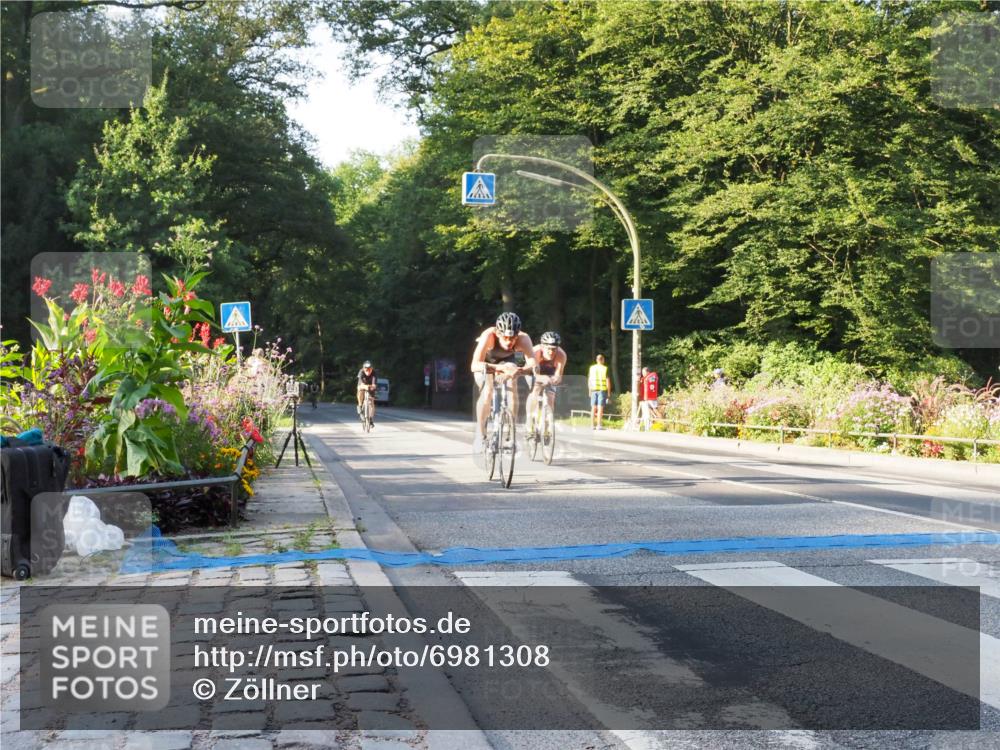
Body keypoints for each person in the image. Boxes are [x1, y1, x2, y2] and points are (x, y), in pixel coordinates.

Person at [470, 312, 535, 451]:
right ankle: (480, 435)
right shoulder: (489, 336)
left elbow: (533, 365)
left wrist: (518, 370)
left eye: (512, 338)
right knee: (487, 391)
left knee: (513, 385)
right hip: (487, 363)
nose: (509, 341)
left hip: (509, 363)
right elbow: (474, 365)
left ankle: (511, 433)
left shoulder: (524, 339)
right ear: (498, 333)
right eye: (505, 337)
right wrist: (499, 368)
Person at [527, 331, 567, 432]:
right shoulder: (534, 352)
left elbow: (559, 374)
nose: (551, 352)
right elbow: (534, 374)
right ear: (542, 347)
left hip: (550, 372)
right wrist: (541, 378)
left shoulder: (561, 355)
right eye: (548, 348)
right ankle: (530, 419)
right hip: (535, 370)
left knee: (550, 397)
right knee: (535, 390)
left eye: (554, 349)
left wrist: (556, 379)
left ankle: (547, 425)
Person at [588, 354, 612, 430]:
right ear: (602, 360)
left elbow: (589, 380)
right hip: (602, 390)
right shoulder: (605, 368)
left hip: (593, 390)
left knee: (593, 408)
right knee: (600, 408)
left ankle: (592, 425)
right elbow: (608, 381)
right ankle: (599, 425)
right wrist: (608, 393)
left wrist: (589, 390)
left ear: (596, 360)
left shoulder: (592, 368)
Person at [357, 361, 378, 426]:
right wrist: (365, 386)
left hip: (371, 386)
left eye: (369, 369)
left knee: (372, 402)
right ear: (363, 368)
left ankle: (371, 419)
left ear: (371, 368)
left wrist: (373, 386)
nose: (368, 370)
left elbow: (374, 383)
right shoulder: (361, 372)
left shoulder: (374, 372)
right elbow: (361, 383)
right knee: (360, 390)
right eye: (366, 369)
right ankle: (360, 406)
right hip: (363, 385)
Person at [639, 366, 660, 431]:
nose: (643, 373)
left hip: (651, 397)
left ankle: (662, 421)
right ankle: (651, 424)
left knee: (655, 410)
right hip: (646, 398)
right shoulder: (645, 378)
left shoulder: (651, 377)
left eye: (644, 372)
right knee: (649, 410)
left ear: (648, 372)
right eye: (642, 372)